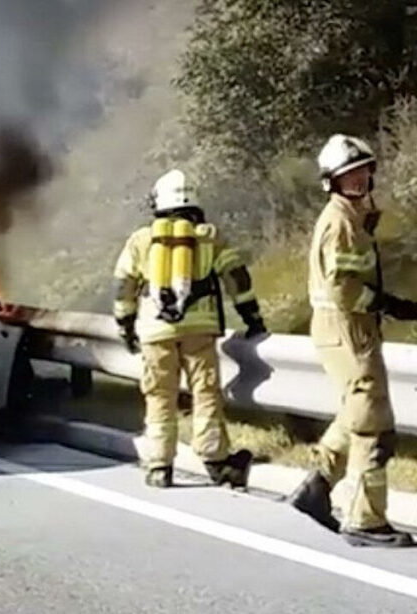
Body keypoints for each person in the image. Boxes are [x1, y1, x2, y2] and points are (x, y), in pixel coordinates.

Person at [289, 134, 417, 548]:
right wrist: (390, 305)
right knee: (374, 426)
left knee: (356, 411)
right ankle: (364, 520)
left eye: (363, 173)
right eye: (350, 176)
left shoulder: (350, 217)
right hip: (348, 328)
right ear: (332, 182)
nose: (359, 180)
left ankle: (318, 484)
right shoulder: (341, 222)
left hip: (347, 328)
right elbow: (344, 289)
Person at [113, 169, 266, 488]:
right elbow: (237, 278)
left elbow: (124, 286)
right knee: (206, 394)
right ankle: (215, 462)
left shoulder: (141, 240)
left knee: (159, 396)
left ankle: (159, 467)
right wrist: (252, 317)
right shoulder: (210, 237)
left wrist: (126, 325)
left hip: (155, 333)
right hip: (199, 330)